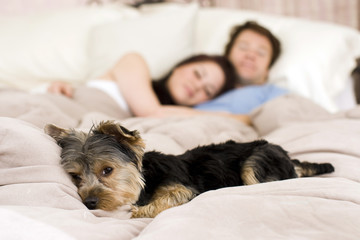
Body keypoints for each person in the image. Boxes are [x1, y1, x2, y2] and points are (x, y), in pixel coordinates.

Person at [48, 52, 251, 124]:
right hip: (55, 106)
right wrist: (233, 117)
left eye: (208, 91)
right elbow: (151, 112)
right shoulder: (135, 61)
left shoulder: (173, 118)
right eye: (198, 74)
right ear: (180, 66)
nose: (197, 86)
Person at [195, 21, 289, 114]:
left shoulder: (277, 95)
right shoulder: (204, 87)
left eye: (261, 53)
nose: (251, 55)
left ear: (267, 70)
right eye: (243, 47)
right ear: (227, 55)